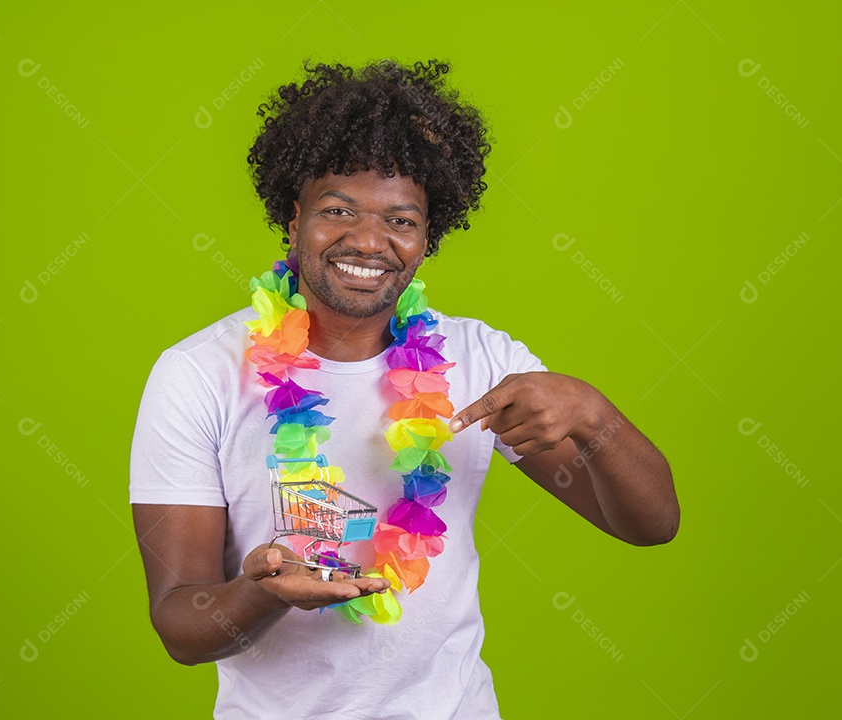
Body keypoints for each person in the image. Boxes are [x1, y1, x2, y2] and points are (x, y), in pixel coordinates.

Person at [129, 58, 679, 719]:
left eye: (401, 220)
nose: (368, 240)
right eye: (338, 210)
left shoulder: (480, 362)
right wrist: (266, 593)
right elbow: (180, 625)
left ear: (428, 236)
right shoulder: (198, 374)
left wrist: (595, 417)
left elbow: (651, 525)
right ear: (293, 216)